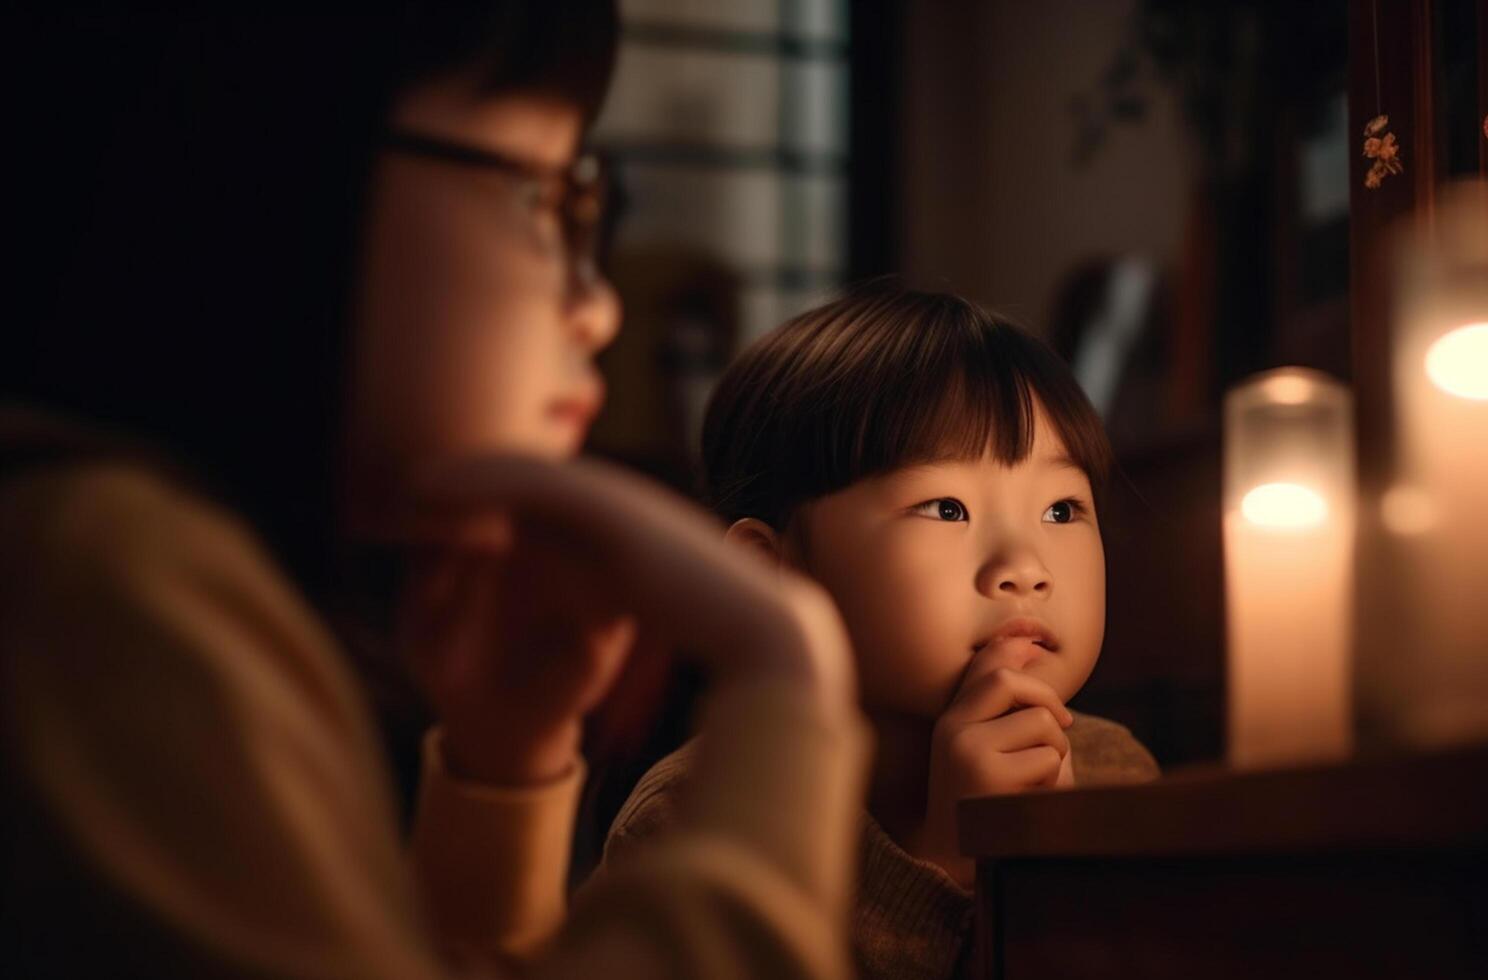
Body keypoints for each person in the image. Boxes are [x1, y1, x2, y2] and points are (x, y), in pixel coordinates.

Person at [0, 5, 868, 977]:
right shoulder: (102, 576)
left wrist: (504, 762)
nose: (599, 303)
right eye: (547, 198)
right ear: (280, 160)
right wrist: (784, 682)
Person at [603, 287, 1160, 980]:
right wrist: (946, 867)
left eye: (1061, 509)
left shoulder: (1117, 775)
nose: (1024, 568)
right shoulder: (696, 827)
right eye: (946, 507)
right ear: (771, 577)